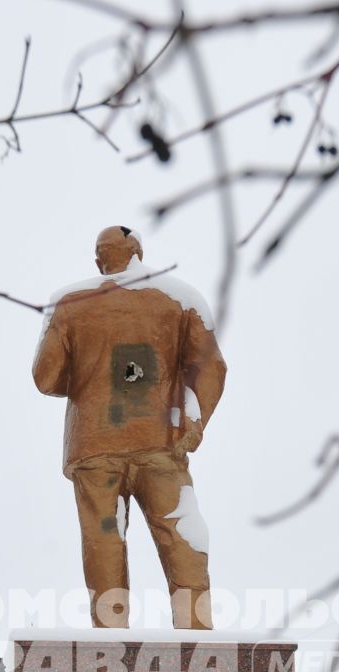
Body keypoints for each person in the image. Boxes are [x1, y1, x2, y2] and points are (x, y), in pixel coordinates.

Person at [32, 225, 228, 629]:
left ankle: (110, 635)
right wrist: (194, 421)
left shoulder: (70, 304)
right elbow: (212, 367)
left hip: (94, 445)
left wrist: (90, 379)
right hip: (160, 441)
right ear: (139, 252)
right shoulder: (179, 299)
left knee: (104, 539)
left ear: (99, 260)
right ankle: (196, 632)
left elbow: (45, 378)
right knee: (179, 533)